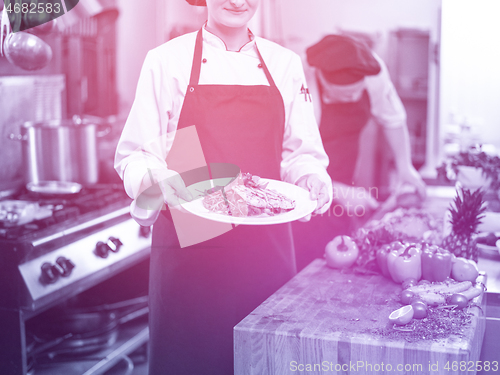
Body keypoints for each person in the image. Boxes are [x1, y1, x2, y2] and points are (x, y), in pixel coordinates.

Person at [114, 0, 332, 373]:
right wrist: (156, 181)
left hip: (267, 252)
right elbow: (135, 155)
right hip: (189, 253)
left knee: (264, 362)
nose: (237, 1)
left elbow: (302, 153)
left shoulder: (285, 64)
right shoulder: (166, 60)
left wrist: (311, 176)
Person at [292, 34, 427, 270]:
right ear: (321, 78)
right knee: (307, 255)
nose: (354, 99)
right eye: (345, 95)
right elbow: (290, 157)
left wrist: (405, 167)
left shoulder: (371, 71)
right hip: (301, 183)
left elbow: (392, 118)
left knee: (338, 247)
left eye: (357, 92)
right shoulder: (299, 82)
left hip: (344, 169)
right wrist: (337, 191)